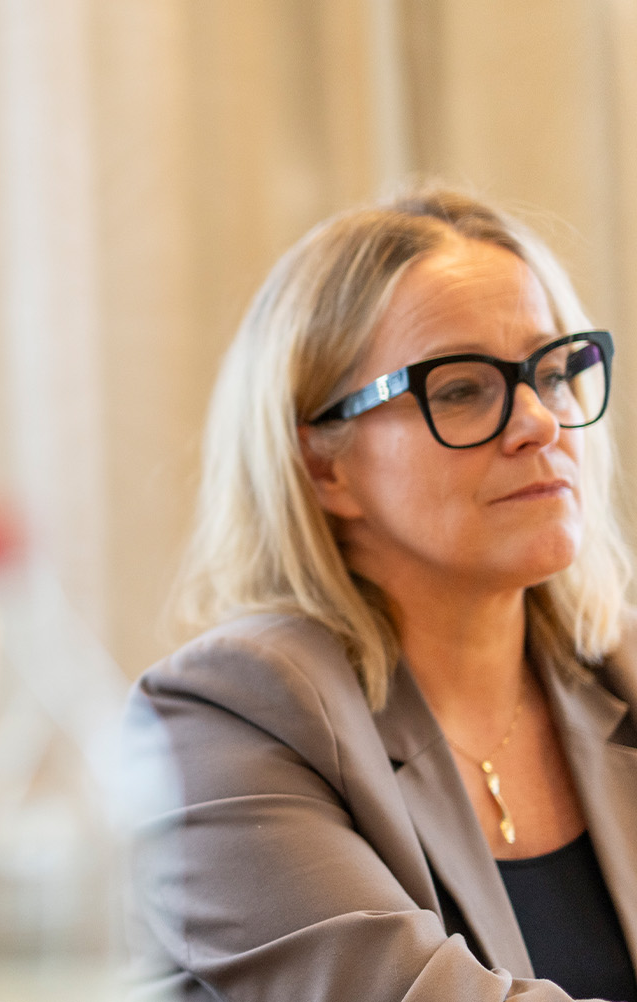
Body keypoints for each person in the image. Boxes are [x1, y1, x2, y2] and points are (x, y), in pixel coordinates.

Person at [127, 187, 637, 1001]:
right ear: (326, 467)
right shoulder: (220, 720)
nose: (539, 421)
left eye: (553, 370)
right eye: (462, 388)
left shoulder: (623, 670)